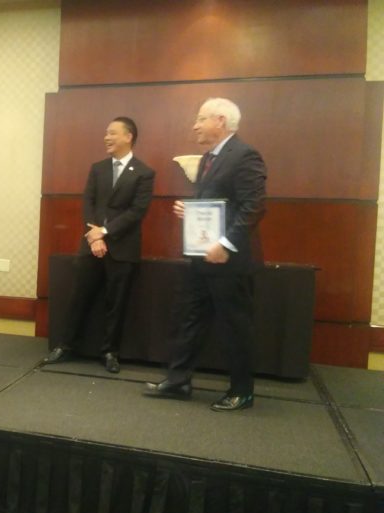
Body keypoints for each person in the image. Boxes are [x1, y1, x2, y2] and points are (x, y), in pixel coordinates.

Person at [144, 97, 266, 412]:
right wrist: (191, 211)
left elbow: (253, 207)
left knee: (235, 326)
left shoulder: (245, 155)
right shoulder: (209, 158)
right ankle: (178, 381)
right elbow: (219, 205)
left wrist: (225, 244)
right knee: (189, 319)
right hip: (201, 259)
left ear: (220, 121)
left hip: (230, 260)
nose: (195, 126)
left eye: (200, 119)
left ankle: (242, 392)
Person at [43, 117, 155, 373]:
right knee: (78, 297)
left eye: (112, 133)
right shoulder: (98, 168)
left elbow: (137, 212)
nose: (107, 137)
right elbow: (88, 203)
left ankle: (110, 352)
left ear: (128, 136)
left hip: (123, 248)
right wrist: (94, 237)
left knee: (116, 303)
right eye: (106, 133)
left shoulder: (144, 173)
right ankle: (65, 346)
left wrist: (104, 232)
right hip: (91, 246)